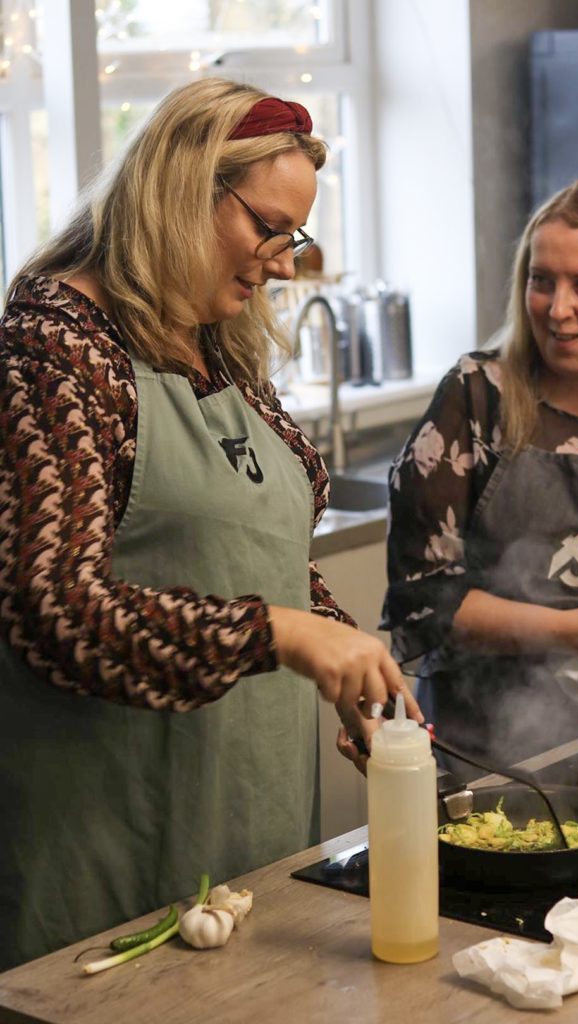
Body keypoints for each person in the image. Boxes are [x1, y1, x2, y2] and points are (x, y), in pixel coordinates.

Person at [0, 77, 420, 970]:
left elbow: (257, 552)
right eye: (268, 227)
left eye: (293, 236)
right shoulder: (56, 348)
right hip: (112, 839)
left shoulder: (215, 340)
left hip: (249, 821)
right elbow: (50, 607)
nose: (281, 262)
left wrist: (349, 657)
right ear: (182, 188)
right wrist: (275, 633)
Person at [379, 174, 578, 772]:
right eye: (540, 282)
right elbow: (422, 598)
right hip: (488, 750)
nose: (557, 309)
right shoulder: (476, 397)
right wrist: (564, 632)